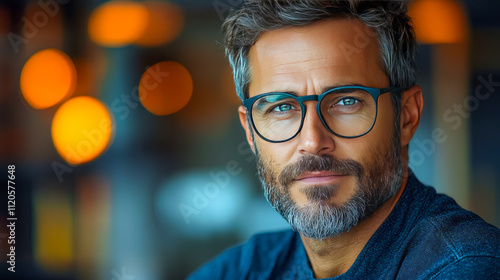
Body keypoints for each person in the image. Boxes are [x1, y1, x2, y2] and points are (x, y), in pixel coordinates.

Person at [189, 1, 500, 279]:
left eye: (346, 102)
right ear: (250, 132)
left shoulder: (465, 266)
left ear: (406, 116)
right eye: (281, 107)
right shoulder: (242, 269)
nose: (312, 141)